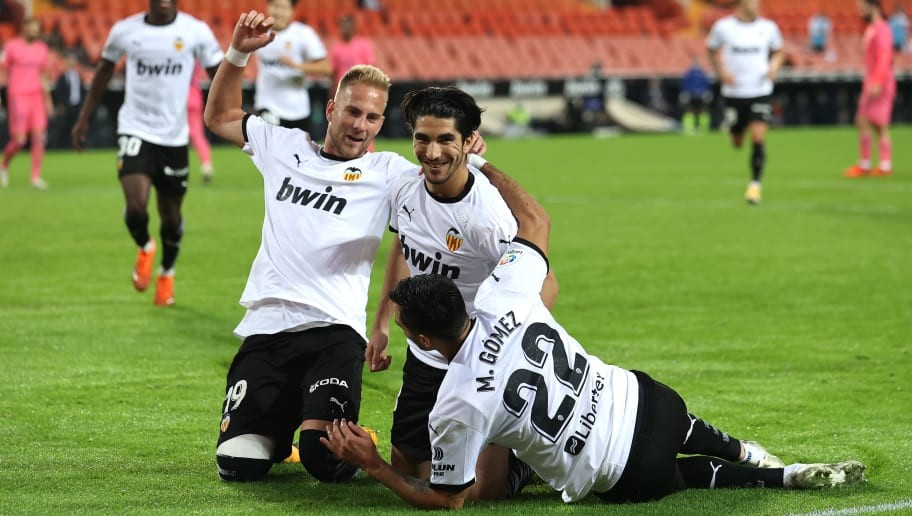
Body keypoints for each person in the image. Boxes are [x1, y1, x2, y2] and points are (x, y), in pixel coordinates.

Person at [321, 154, 868, 510]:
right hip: (647, 399)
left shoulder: (457, 402)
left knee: (687, 479)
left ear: (420, 339)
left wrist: (369, 464)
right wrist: (479, 160)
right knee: (685, 426)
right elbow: (536, 222)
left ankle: (780, 480)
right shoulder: (503, 294)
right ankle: (751, 452)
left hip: (619, 468)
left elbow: (448, 500)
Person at [204, 11, 483, 483]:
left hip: (335, 333)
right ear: (332, 109)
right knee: (239, 464)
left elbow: (418, 224)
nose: (362, 124)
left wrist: (467, 152)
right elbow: (220, 116)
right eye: (353, 111)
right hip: (268, 329)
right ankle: (280, 420)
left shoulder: (389, 173)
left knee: (325, 461)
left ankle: (325, 428)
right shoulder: (283, 146)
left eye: (373, 117)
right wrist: (238, 54)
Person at [367, 86, 558, 499]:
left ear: (469, 142)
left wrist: (500, 349)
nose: (432, 153)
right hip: (424, 355)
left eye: (445, 140)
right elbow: (401, 247)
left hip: (476, 359)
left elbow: (545, 282)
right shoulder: (404, 188)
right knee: (410, 468)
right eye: (422, 139)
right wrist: (381, 324)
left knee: (484, 491)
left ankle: (526, 460)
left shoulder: (488, 218)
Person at [71, 0, 224, 306]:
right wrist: (84, 118)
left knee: (171, 218)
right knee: (137, 207)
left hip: (174, 138)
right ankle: (144, 245)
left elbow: (221, 75)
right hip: (135, 129)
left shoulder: (195, 31)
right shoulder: (125, 31)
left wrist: (236, 113)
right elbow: (103, 70)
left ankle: (167, 273)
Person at [707, 0, 784, 205]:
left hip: (759, 90)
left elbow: (779, 52)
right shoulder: (723, 27)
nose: (757, 4)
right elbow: (711, 49)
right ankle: (736, 131)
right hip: (734, 92)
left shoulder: (768, 28)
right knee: (737, 142)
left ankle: (755, 186)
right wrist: (721, 72)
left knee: (758, 137)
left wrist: (774, 67)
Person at [254, 0, 331, 131]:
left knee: (295, 151)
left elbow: (326, 68)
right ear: (268, 7)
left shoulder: (303, 34)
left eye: (283, 8)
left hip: (297, 109)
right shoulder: (258, 33)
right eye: (275, 6)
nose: (278, 12)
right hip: (266, 104)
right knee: (271, 148)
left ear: (292, 11)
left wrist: (297, 66)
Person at [844, 0, 896, 178]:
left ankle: (883, 164)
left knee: (878, 124)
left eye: (862, 6)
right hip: (871, 81)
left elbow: (884, 56)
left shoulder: (881, 29)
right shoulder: (872, 28)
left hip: (879, 83)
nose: (859, 10)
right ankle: (867, 164)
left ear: (872, 6)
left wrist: (878, 82)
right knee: (863, 121)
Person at [0, 17, 53, 189]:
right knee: (20, 140)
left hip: (36, 97)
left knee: (39, 137)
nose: (34, 31)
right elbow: (2, 71)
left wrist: (48, 100)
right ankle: (4, 165)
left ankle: (35, 177)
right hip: (18, 95)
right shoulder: (11, 46)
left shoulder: (42, 49)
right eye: (31, 28)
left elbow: (43, 76)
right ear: (24, 28)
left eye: (37, 29)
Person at [329, 14, 375, 98]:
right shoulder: (336, 48)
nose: (344, 29)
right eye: (342, 26)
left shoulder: (363, 45)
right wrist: (332, 92)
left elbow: (370, 68)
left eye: (347, 26)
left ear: (353, 27)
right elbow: (334, 73)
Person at [187, 64, 214, 184]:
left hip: (177, 99)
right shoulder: (195, 55)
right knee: (198, 135)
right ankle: (206, 165)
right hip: (194, 98)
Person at [53, 53, 84, 149]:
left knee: (77, 126)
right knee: (65, 127)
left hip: (77, 105)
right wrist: (61, 104)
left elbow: (81, 90)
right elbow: (59, 92)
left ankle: (76, 145)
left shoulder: (78, 76)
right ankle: (62, 146)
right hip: (67, 106)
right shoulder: (62, 77)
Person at [679, 58, 711, 134]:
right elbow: (684, 84)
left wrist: (706, 92)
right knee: (690, 111)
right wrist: (685, 92)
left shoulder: (701, 73)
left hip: (700, 95)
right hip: (691, 95)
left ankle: (701, 127)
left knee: (700, 111)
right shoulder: (690, 73)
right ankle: (689, 127)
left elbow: (706, 84)